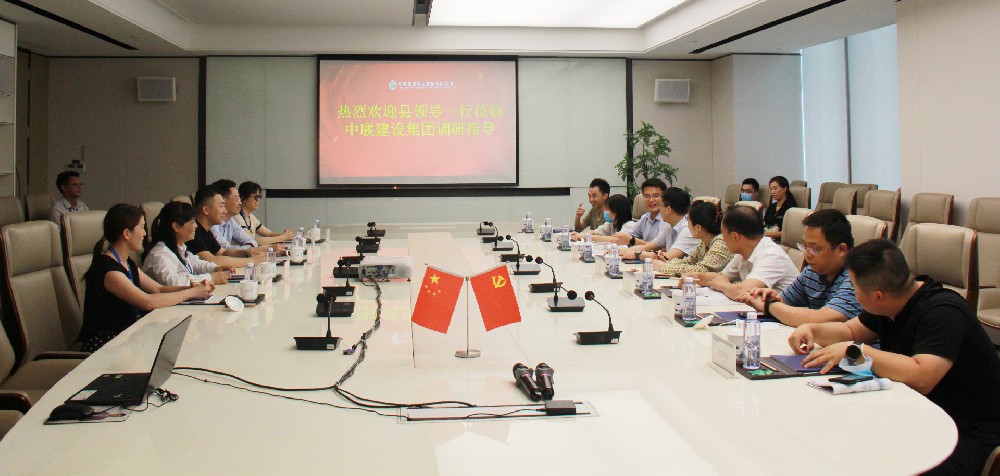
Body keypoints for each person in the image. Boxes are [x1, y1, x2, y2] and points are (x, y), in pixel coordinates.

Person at [789, 239, 1000, 475]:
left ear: (877, 296)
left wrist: (858, 351)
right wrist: (812, 329)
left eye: (855, 289)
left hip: (968, 428)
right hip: (918, 413)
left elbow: (922, 375)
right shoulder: (891, 301)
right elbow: (850, 331)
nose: (855, 295)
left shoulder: (944, 311)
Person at [78, 204, 213, 352]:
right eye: (142, 228)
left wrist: (192, 288)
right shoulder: (108, 270)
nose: (144, 234)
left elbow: (158, 289)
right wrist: (191, 293)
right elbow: (148, 302)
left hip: (129, 336)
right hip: (108, 345)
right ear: (127, 233)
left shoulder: (126, 262)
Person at [737, 209, 862, 326]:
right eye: (804, 246)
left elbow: (822, 319)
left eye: (814, 248)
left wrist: (769, 305)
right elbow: (783, 304)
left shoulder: (856, 277)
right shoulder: (811, 272)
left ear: (841, 249)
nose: (807, 254)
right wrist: (770, 298)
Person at [684, 205, 799, 299]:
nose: (722, 239)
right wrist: (696, 277)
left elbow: (743, 292)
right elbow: (721, 277)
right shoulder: (744, 252)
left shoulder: (771, 255)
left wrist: (724, 286)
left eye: (723, 234)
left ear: (735, 236)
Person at [142, 201, 234, 286]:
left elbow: (195, 263)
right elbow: (173, 282)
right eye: (192, 222)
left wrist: (215, 268)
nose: (196, 226)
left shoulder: (179, 246)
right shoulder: (160, 254)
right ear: (176, 226)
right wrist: (210, 277)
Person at [187, 185, 265, 267]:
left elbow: (222, 252)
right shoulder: (193, 231)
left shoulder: (206, 231)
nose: (225, 211)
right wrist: (251, 261)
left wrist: (245, 252)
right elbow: (210, 260)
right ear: (206, 210)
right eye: (221, 206)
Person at [650, 200, 733, 275]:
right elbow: (688, 262)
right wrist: (666, 261)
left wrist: (663, 267)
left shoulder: (720, 243)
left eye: (688, 220)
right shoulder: (704, 242)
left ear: (698, 227)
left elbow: (701, 270)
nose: (687, 224)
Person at [622, 187, 699, 261]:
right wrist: (623, 251)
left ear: (668, 209)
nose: (659, 210)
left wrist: (637, 254)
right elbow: (648, 246)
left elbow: (667, 257)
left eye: (660, 206)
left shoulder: (688, 229)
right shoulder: (669, 226)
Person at [209, 179, 268, 253]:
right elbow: (225, 249)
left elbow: (252, 241)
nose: (240, 203)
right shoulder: (212, 223)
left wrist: (249, 248)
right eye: (237, 199)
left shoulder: (231, 220)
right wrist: (249, 249)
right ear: (223, 200)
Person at [233, 181, 293, 247]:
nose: (258, 200)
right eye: (256, 197)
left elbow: (269, 234)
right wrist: (282, 238)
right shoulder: (236, 216)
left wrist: (286, 236)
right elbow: (252, 241)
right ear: (244, 198)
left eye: (260, 197)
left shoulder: (251, 217)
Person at [611, 178, 667, 246]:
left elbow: (662, 247)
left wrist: (632, 240)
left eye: (656, 196)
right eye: (647, 196)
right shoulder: (645, 217)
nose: (651, 200)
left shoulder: (667, 219)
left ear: (664, 197)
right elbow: (628, 235)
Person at [763, 175, 797, 240]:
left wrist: (766, 234)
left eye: (775, 188)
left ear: (785, 189)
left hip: (782, 241)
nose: (772, 192)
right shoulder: (771, 207)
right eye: (771, 189)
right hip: (768, 239)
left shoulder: (791, 209)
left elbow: (790, 233)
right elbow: (765, 223)